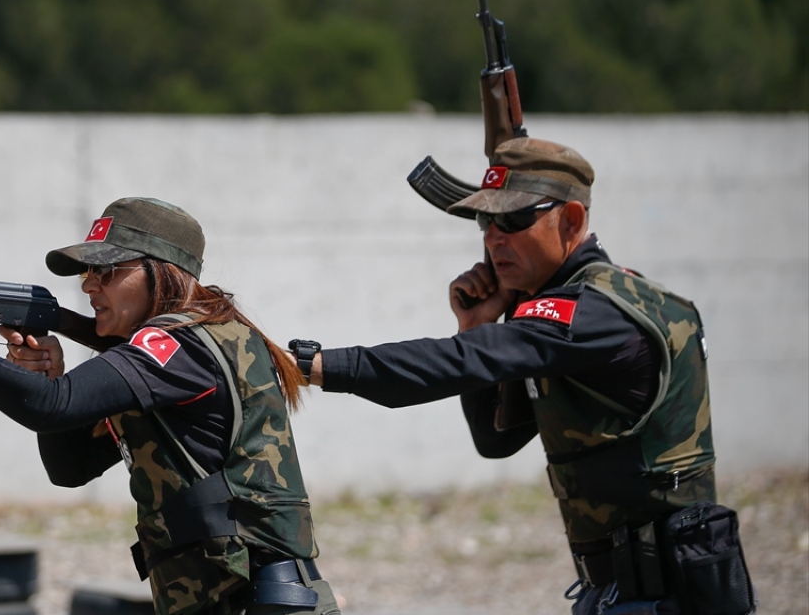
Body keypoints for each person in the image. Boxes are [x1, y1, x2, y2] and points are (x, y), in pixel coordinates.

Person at [286, 139, 724, 615]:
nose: (495, 238)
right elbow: (496, 439)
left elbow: (458, 361)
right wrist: (477, 325)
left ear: (571, 220)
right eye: (485, 222)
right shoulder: (598, 303)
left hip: (661, 595)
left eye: (514, 219)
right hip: (632, 588)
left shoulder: (592, 314)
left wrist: (313, 366)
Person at [0, 197, 340, 615]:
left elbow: (51, 406)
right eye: (88, 271)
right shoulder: (211, 338)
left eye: (107, 270)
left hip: (252, 600)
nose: (88, 285)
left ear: (161, 273)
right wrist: (49, 375)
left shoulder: (176, 346)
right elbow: (70, 468)